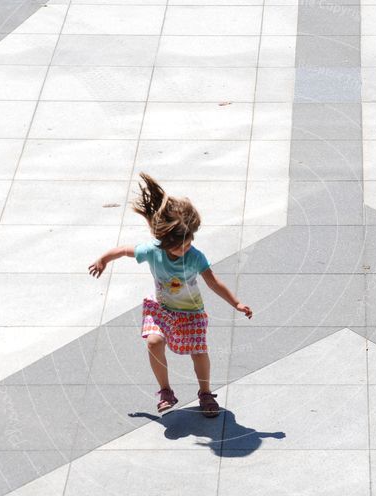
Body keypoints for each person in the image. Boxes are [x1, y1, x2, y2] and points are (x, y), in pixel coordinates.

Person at [88, 172, 253, 417]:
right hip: (162, 308)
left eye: (189, 243)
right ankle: (165, 391)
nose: (186, 248)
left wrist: (236, 302)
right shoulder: (152, 251)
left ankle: (205, 392)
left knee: (198, 351)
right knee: (154, 341)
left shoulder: (195, 256)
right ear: (164, 242)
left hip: (190, 312)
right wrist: (103, 259)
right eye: (180, 246)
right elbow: (123, 250)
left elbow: (212, 281)